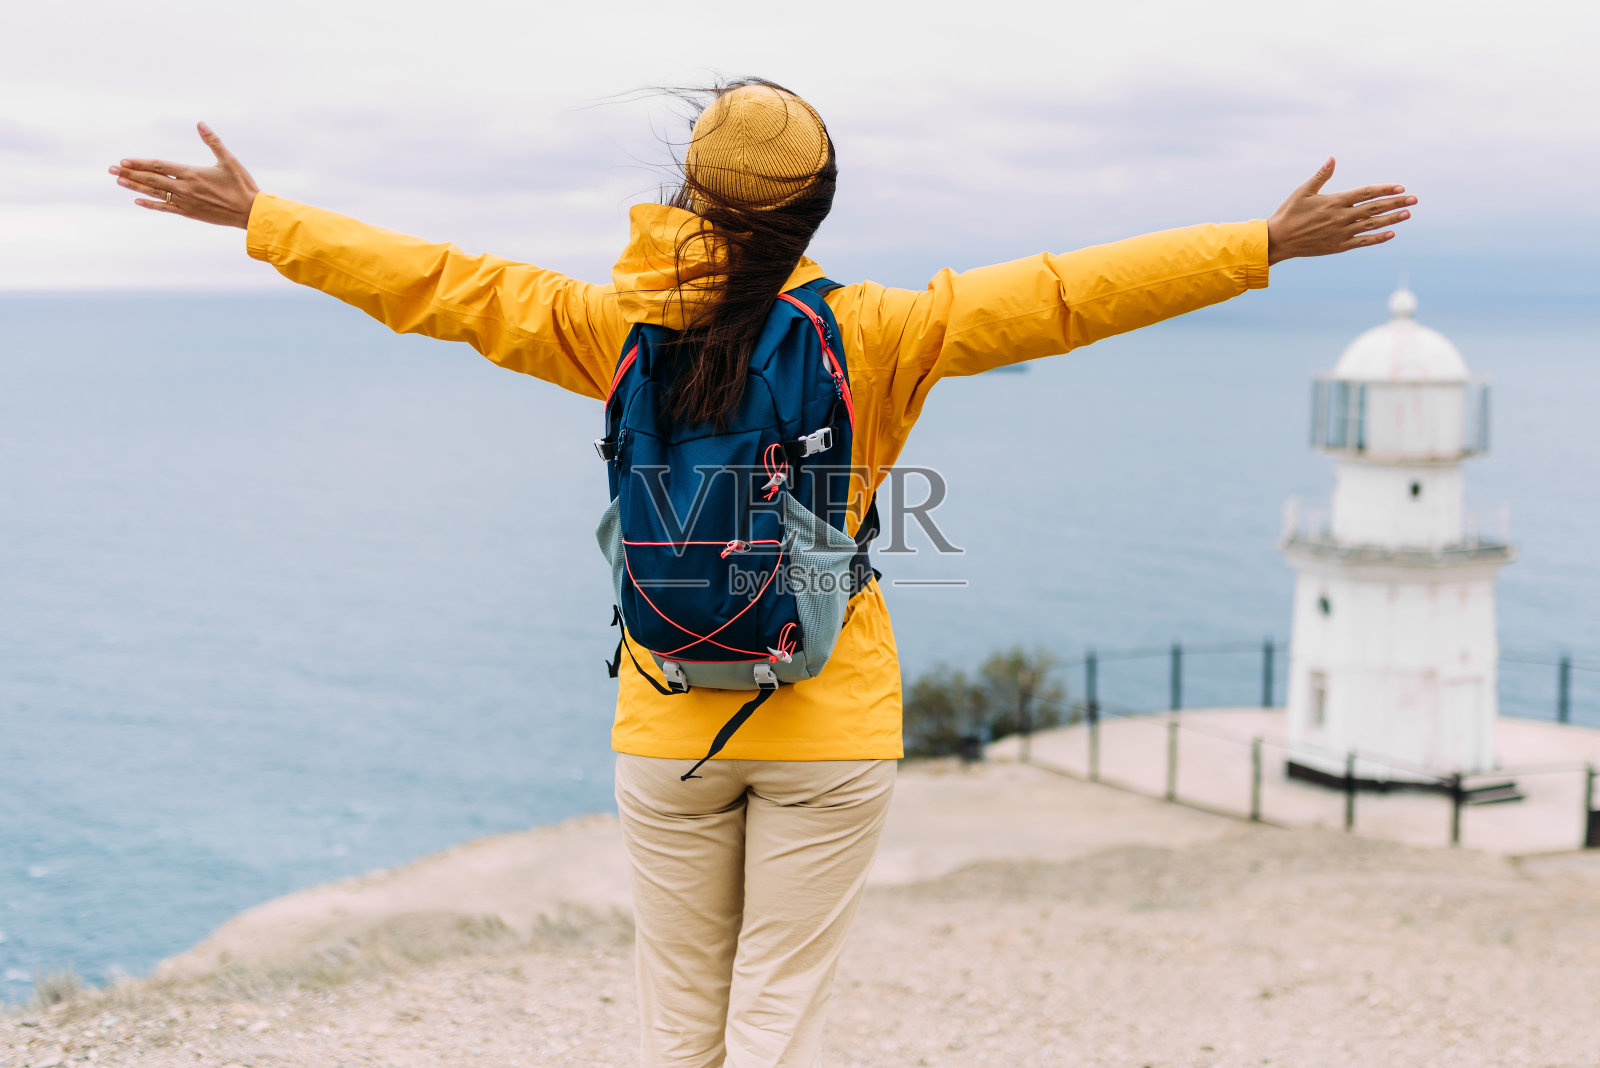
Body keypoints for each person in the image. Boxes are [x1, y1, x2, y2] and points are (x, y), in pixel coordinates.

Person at [109, 79, 1413, 1068]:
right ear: (817, 205)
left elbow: (439, 287)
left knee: (679, 1015)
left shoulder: (602, 327)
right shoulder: (882, 332)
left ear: (690, 190)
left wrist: (265, 219)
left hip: (662, 712)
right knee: (777, 1013)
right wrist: (1263, 243)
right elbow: (1072, 294)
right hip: (828, 716)